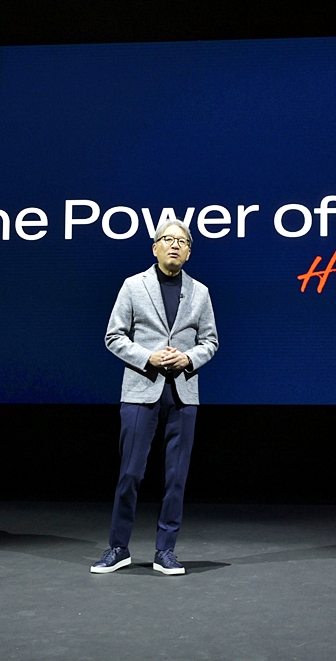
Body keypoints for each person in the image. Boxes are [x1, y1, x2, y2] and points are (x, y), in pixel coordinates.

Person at [91, 220, 218, 576]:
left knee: (176, 477)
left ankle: (166, 551)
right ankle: (118, 547)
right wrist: (148, 357)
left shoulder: (200, 292)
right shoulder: (134, 286)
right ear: (155, 247)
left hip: (182, 393)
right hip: (140, 389)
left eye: (182, 241)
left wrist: (188, 358)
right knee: (130, 472)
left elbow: (210, 341)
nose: (174, 245)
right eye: (168, 239)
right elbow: (114, 336)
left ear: (189, 251)